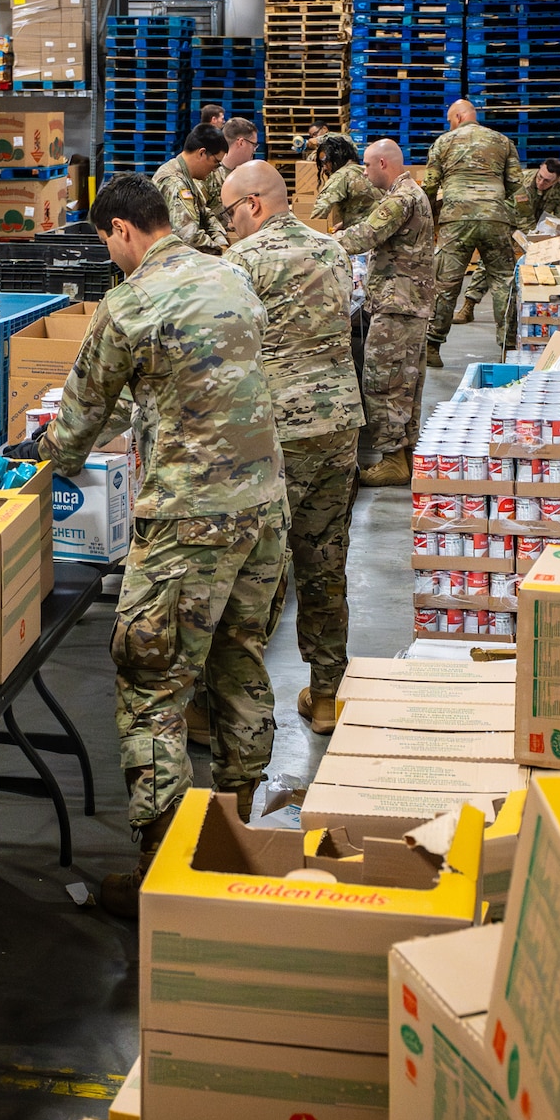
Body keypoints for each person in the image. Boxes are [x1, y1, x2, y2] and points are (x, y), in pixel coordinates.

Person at [8, 174, 287, 917]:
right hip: (263, 510)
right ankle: (237, 838)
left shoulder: (129, 303)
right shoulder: (230, 274)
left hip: (188, 525)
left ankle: (162, 872)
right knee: (239, 666)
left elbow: (75, 429)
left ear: (121, 232)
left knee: (153, 686)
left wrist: (31, 457)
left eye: (110, 246)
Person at [220, 160, 360, 733]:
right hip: (341, 422)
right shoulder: (334, 251)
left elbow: (230, 347)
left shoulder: (242, 262)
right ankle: (327, 694)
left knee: (258, 571)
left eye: (229, 212)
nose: (226, 225)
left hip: (279, 428)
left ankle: (232, 711)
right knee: (325, 560)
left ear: (254, 202)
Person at [337, 140, 436, 488]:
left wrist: (323, 243)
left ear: (382, 163)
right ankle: (405, 455)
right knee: (406, 382)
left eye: (366, 165)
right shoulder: (412, 194)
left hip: (397, 305)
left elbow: (365, 234)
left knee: (383, 382)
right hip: (411, 304)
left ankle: (392, 458)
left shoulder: (399, 199)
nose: (364, 172)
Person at [422, 99, 524, 368]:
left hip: (456, 218)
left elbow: (430, 185)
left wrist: (430, 219)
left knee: (446, 283)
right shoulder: (503, 142)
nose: (448, 124)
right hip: (495, 218)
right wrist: (506, 210)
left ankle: (432, 346)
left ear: (458, 116)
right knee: (503, 281)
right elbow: (517, 185)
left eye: (449, 119)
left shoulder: (444, 142)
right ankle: (508, 346)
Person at [462, 158, 560, 342]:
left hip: (536, 229)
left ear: (556, 180)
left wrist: (551, 238)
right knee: (491, 262)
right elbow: (523, 218)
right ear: (538, 170)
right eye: (540, 177)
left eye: (547, 181)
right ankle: (469, 305)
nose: (541, 182)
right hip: (510, 224)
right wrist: (533, 241)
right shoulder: (523, 184)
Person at [152, 124, 230, 254]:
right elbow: (188, 236)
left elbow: (205, 214)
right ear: (202, 153)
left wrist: (221, 241)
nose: (215, 169)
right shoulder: (175, 183)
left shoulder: (188, 179)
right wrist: (219, 250)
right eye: (216, 162)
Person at [310, 134, 378, 232]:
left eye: (325, 163)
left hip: (361, 237)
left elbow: (319, 212)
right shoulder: (366, 171)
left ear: (336, 157)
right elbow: (368, 209)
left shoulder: (341, 176)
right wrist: (346, 223)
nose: (324, 168)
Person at [202, 117, 261, 214]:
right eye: (253, 145)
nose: (254, 150)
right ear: (241, 142)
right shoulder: (208, 175)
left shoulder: (249, 176)